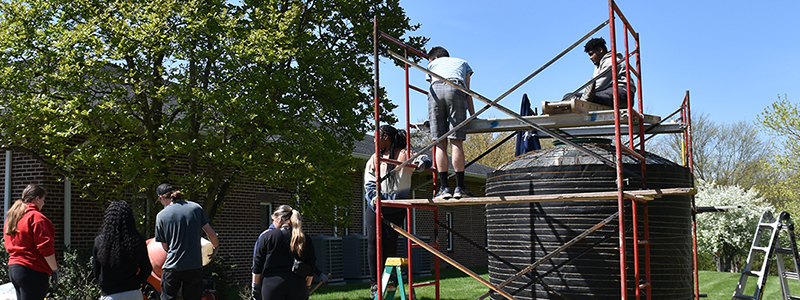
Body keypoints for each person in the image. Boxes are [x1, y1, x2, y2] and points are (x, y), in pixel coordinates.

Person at [363, 125, 432, 298]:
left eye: (375, 137)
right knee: (373, 240)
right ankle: (374, 283)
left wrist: (423, 163)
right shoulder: (375, 158)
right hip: (376, 204)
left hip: (396, 204)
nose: (373, 141)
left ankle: (389, 280)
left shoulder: (404, 153)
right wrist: (374, 199)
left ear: (386, 137)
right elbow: (369, 182)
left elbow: (422, 158)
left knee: (389, 241)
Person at [426, 46, 475, 200]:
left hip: (435, 91)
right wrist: (473, 115)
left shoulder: (431, 65)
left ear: (434, 58)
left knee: (440, 142)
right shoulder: (463, 62)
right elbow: (468, 92)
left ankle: (444, 188)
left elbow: (433, 86)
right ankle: (460, 187)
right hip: (455, 87)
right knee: (456, 141)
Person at [155, 183, 219, 300]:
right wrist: (214, 248)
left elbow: (165, 246)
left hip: (173, 266)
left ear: (161, 198)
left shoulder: (161, 215)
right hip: (194, 266)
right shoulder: (195, 208)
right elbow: (211, 234)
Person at [3, 184, 58, 300]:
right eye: (43, 199)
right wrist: (54, 269)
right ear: (37, 199)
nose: (44, 203)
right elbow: (46, 247)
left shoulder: (12, 218)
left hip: (14, 268)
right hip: (33, 270)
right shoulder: (37, 218)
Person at [252, 205, 317, 300]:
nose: (273, 224)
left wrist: (256, 287)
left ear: (280, 219)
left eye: (273, 220)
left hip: (272, 285)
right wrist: (307, 287)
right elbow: (311, 265)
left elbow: (257, 265)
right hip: (298, 285)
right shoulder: (305, 238)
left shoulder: (268, 237)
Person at [94, 200, 152, 300]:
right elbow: (146, 268)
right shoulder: (137, 240)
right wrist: (137, 282)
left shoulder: (100, 241)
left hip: (110, 294)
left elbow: (96, 271)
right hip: (132, 292)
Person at [562, 37, 636, 108]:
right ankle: (581, 100)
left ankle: (583, 100)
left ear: (600, 50)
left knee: (596, 97)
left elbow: (599, 84)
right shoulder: (599, 65)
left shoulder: (611, 61)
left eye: (591, 54)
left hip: (623, 94)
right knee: (568, 96)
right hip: (607, 91)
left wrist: (584, 94)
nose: (590, 58)